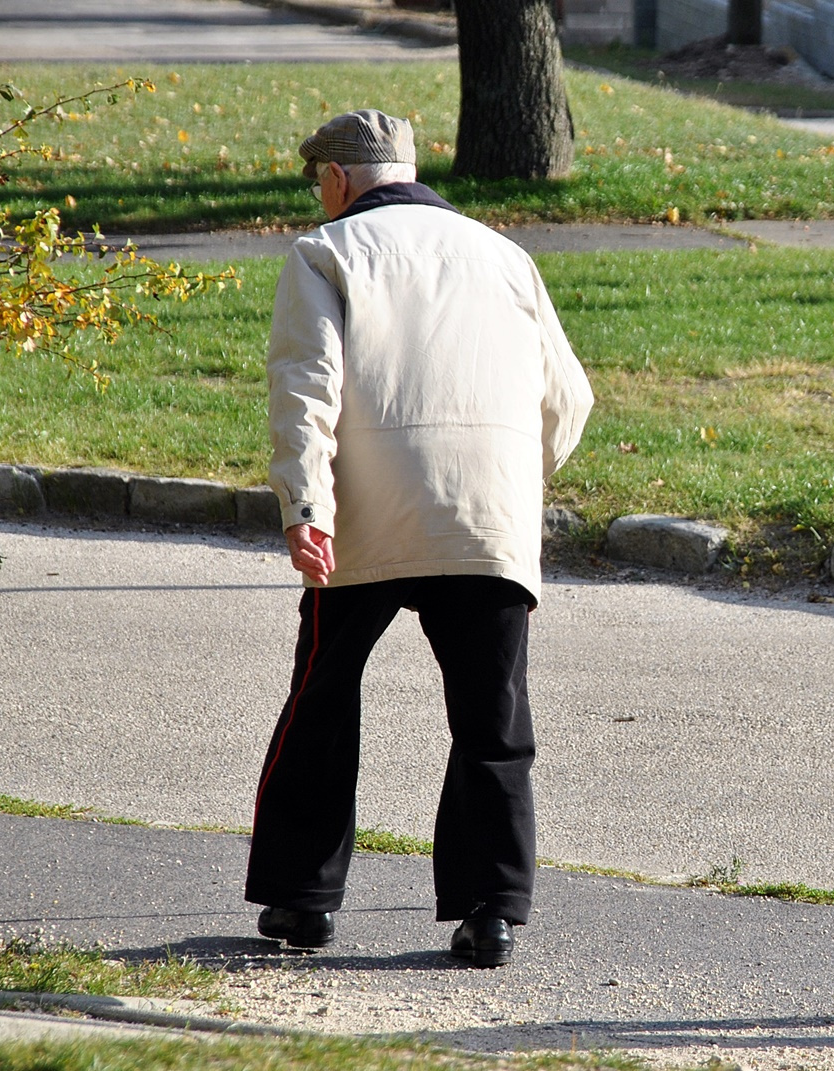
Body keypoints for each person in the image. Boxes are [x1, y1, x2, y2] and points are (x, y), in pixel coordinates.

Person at [246, 110, 593, 968]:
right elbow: (569, 398)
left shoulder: (322, 254)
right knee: (492, 719)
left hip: (364, 517)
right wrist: (518, 475)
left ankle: (303, 900)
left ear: (334, 180)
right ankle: (491, 912)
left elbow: (306, 390)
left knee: (321, 700)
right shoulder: (504, 253)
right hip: (488, 518)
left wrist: (304, 507)